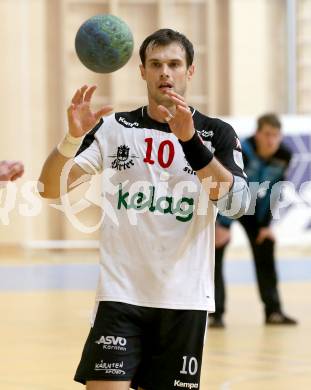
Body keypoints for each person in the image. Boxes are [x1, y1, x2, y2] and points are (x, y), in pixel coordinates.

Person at [38, 29, 250, 390]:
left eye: (174, 64)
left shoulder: (217, 133)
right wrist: (71, 139)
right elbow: (49, 189)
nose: (165, 72)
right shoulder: (113, 127)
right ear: (142, 71)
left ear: (190, 71)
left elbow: (237, 204)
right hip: (121, 295)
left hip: (183, 299)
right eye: (156, 64)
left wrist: (190, 141)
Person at [209, 113, 298, 329]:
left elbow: (275, 190)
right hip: (229, 202)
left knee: (265, 244)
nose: (271, 141)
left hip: (255, 207)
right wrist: (223, 224)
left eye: (276, 135)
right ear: (257, 134)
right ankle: (216, 313)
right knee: (216, 251)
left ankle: (273, 311)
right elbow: (226, 186)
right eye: (267, 134)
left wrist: (266, 226)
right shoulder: (241, 150)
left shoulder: (284, 155)